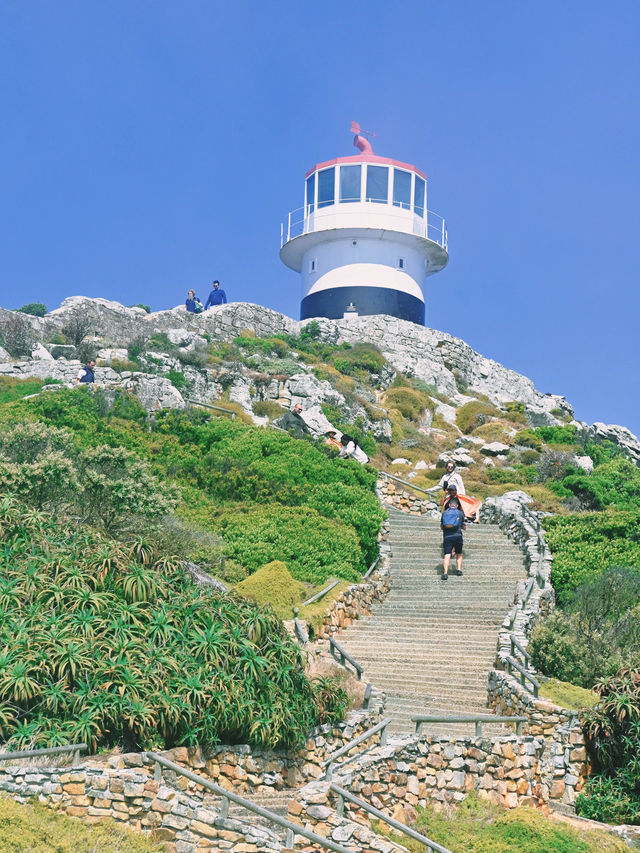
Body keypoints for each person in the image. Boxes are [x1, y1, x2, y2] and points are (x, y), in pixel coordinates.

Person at [440, 494, 466, 581]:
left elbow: (441, 526)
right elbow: (464, 527)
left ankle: (445, 573)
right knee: (459, 553)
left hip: (447, 537)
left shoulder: (444, 513)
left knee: (447, 555)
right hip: (458, 536)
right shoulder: (460, 513)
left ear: (450, 505)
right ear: (457, 505)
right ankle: (458, 570)